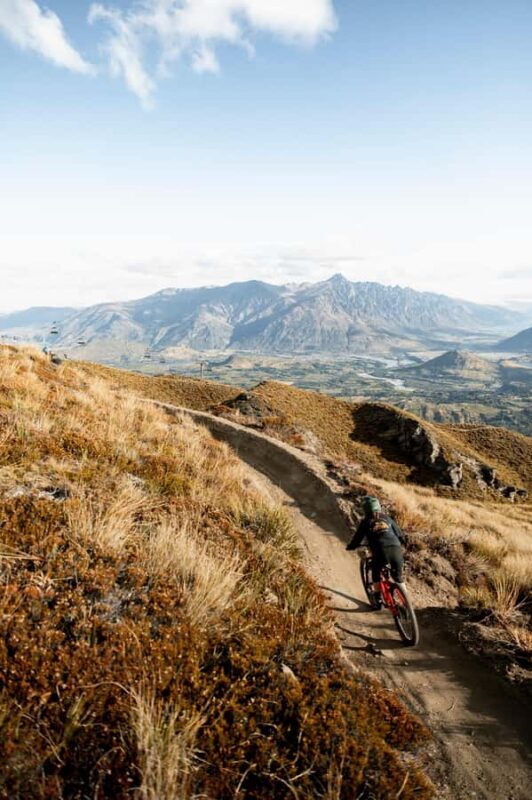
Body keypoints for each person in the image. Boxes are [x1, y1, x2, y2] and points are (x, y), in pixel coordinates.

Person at [346, 496, 406, 606]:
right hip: (396, 549)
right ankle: (407, 602)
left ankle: (378, 598)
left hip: (380, 551)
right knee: (398, 577)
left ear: (365, 509)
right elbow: (400, 535)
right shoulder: (388, 518)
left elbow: (357, 538)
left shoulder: (365, 522)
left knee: (376, 573)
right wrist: (401, 543)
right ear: (378, 507)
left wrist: (351, 546)